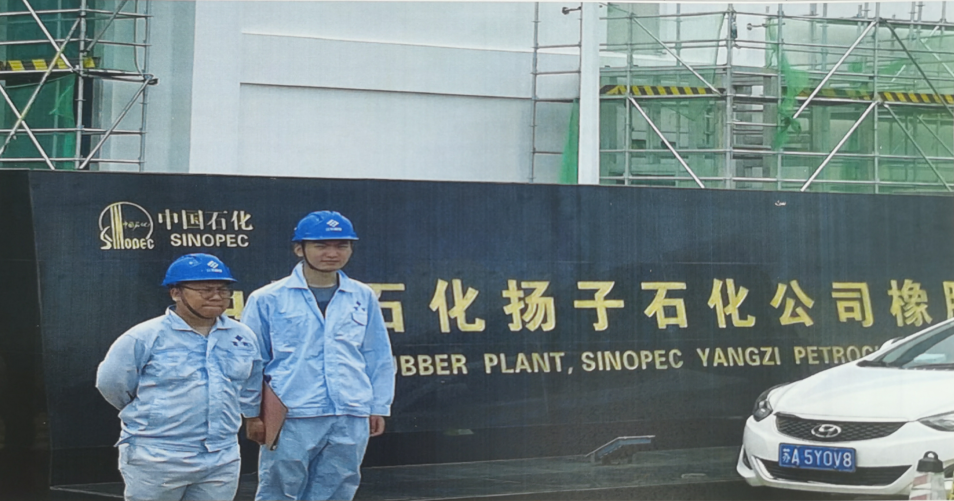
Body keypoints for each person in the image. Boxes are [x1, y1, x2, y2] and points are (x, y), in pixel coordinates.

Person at [242, 210, 395, 501]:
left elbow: (377, 355)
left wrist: (378, 406)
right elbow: (252, 361)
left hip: (349, 410)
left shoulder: (362, 296)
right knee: (280, 490)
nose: (332, 253)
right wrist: (252, 414)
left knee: (338, 488)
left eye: (341, 245)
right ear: (299, 249)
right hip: (291, 413)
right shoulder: (268, 298)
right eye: (321, 245)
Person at [96, 253, 263, 501]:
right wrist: (150, 414)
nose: (217, 296)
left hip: (221, 455)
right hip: (158, 454)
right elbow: (112, 384)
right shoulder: (144, 337)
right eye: (205, 290)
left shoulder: (242, 336)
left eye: (222, 289)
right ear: (176, 293)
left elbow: (250, 383)